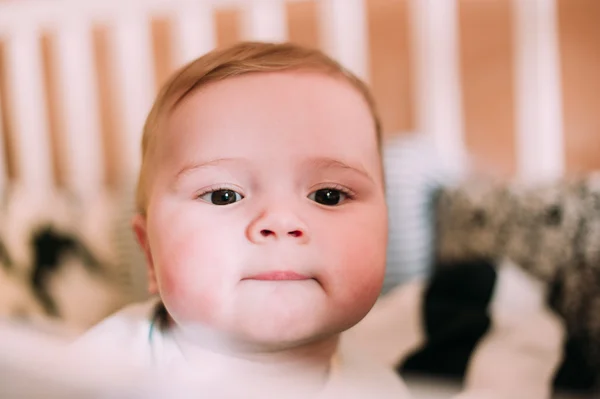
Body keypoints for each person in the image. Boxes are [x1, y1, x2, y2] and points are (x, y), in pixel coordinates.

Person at [74, 41, 411, 398]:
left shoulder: (379, 388)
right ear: (148, 254)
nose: (280, 222)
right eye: (224, 196)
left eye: (328, 196)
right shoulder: (98, 373)